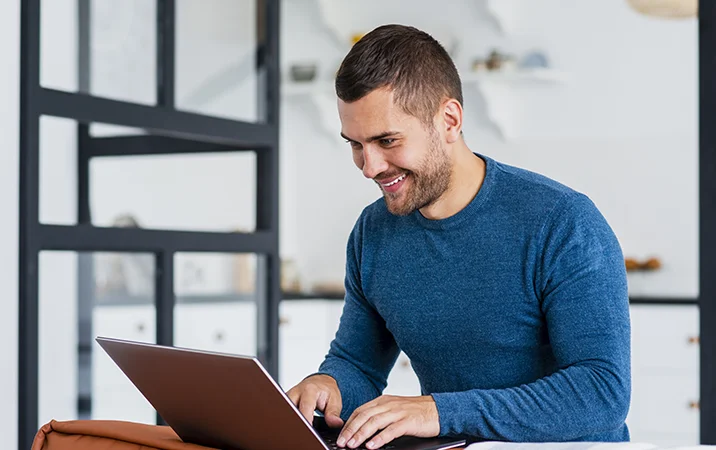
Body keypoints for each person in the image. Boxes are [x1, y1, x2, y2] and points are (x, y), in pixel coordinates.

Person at [286, 24, 631, 448]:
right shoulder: (372, 232)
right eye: (355, 144)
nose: (369, 166)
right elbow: (358, 363)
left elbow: (602, 393)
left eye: (387, 140)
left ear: (449, 120)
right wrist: (329, 384)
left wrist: (439, 410)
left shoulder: (562, 221)